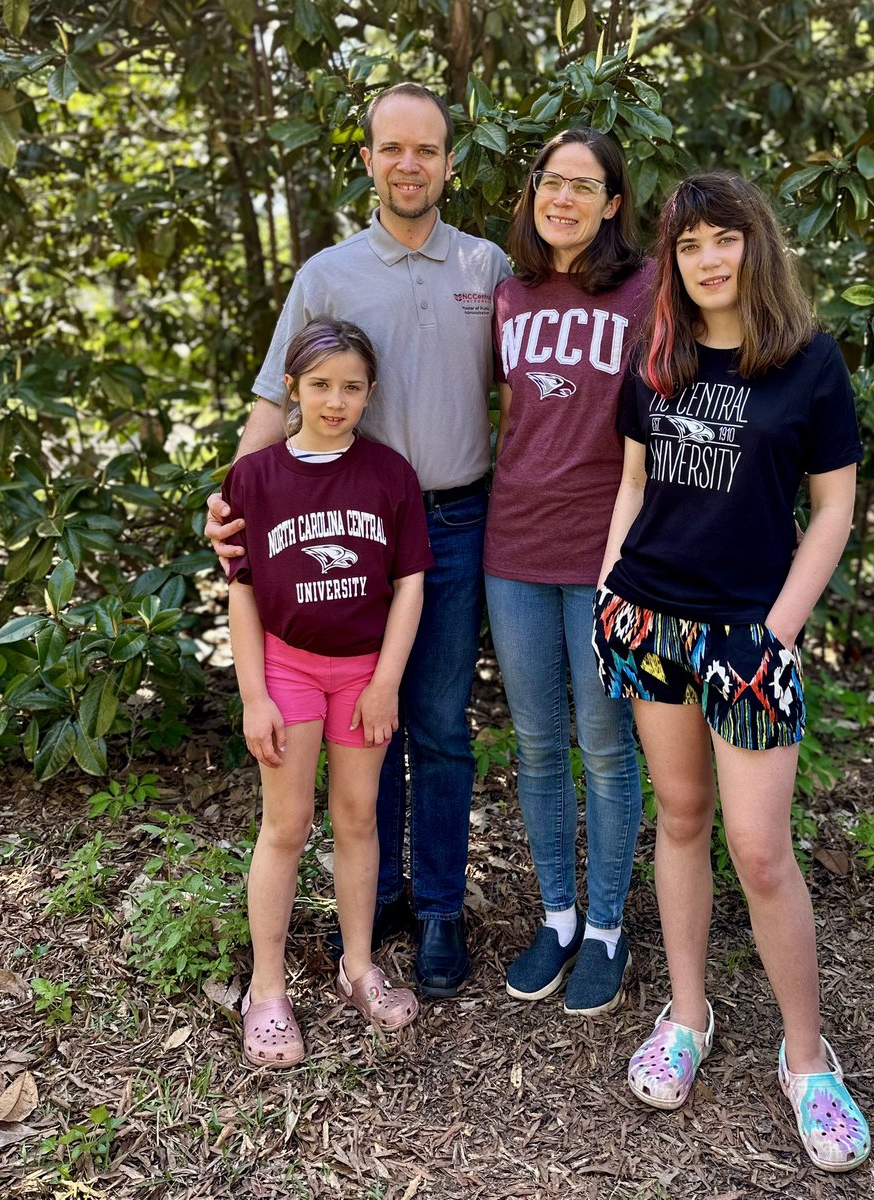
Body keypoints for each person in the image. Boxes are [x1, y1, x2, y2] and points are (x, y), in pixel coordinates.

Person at [593, 173, 871, 1171]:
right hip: (651, 622)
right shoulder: (657, 355)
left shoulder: (808, 362)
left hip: (750, 637)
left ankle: (809, 1060)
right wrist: (607, 590)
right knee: (679, 818)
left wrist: (778, 636)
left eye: (726, 240)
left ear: (757, 247)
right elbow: (632, 484)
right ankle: (688, 1015)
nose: (709, 259)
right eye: (691, 245)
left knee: (759, 849)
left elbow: (833, 510)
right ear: (672, 260)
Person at [207, 84, 511, 997]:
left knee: (436, 723)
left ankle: (440, 908)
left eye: (427, 149)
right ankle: (368, 903)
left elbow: (539, 389)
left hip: (453, 521)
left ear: (450, 162)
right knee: (358, 726)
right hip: (342, 525)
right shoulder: (329, 276)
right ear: (370, 159)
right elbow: (276, 397)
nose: (409, 164)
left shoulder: (488, 267)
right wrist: (228, 505)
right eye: (392, 149)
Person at [225, 317, 432, 1064]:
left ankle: (358, 967)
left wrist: (385, 683)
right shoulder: (256, 476)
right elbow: (241, 592)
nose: (335, 400)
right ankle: (269, 990)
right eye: (320, 386)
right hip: (287, 667)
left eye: (350, 387)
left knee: (356, 816)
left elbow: (409, 585)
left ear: (370, 393)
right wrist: (255, 695)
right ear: (292, 388)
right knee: (287, 823)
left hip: (363, 672)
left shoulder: (388, 475)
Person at [486, 128, 650, 1016]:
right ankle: (556, 915)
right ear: (534, 193)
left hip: (606, 553)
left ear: (613, 203)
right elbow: (514, 418)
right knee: (539, 744)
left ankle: (607, 929)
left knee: (603, 743)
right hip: (512, 549)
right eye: (552, 182)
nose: (565, 199)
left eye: (585, 187)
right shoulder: (509, 292)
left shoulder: (647, 288)